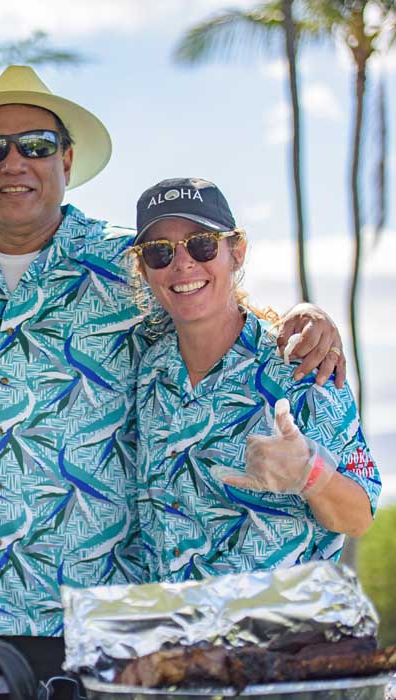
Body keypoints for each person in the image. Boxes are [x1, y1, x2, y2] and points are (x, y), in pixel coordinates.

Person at [0, 66, 345, 635]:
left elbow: (212, 302)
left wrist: (308, 315)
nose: (13, 162)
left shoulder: (130, 266)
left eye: (36, 145)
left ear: (67, 162)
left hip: (104, 620)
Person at [128, 178, 378, 579]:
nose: (183, 263)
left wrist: (309, 474)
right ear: (143, 268)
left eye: (202, 243)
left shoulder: (301, 367)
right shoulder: (148, 365)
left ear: (237, 251)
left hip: (278, 633)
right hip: (172, 631)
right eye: (159, 252)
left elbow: (359, 516)